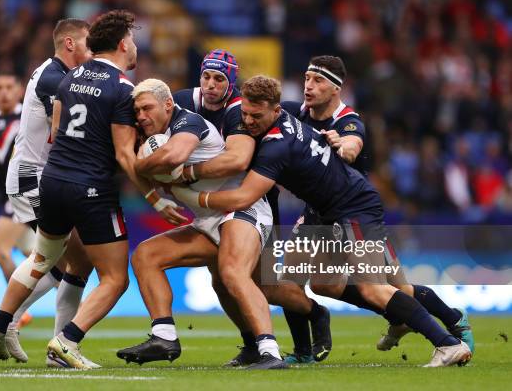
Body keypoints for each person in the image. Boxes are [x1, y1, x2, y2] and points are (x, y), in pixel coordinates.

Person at [173, 75, 473, 368]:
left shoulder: (276, 147)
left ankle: (446, 342)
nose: (248, 122)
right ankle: (318, 344)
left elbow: (241, 198)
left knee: (374, 288)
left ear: (275, 111)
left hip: (354, 208)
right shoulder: (285, 115)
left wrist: (194, 197)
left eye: (256, 116)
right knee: (322, 282)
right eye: (245, 115)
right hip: (326, 211)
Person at [280, 55, 473, 355]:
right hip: (318, 212)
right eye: (307, 78)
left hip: (355, 210)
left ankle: (452, 320)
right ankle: (304, 351)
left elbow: (351, 145)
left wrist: (342, 146)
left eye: (318, 81)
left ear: (336, 89)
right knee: (308, 282)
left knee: (398, 290)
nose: (309, 86)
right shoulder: (295, 115)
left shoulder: (348, 121)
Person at [116, 78, 284, 369]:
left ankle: (271, 351)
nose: (141, 116)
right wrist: (153, 184)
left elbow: (173, 156)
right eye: (137, 111)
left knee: (232, 273)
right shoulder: (159, 135)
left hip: (242, 208)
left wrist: (138, 163)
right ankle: (164, 335)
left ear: (168, 104)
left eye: (146, 108)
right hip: (208, 219)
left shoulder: (187, 121)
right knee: (146, 255)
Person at [174, 49, 328, 366]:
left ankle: (313, 316)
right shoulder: (182, 102)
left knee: (264, 284)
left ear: (232, 83)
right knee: (222, 281)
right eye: (206, 76)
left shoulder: (241, 107)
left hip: (254, 198)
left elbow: (243, 156)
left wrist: (189, 176)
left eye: (219, 78)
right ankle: (252, 345)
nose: (211, 84)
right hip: (219, 205)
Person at [0, 18, 95, 367]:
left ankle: (13, 326)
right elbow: (65, 133)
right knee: (55, 259)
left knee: (74, 262)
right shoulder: (54, 78)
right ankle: (14, 328)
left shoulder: (52, 73)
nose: (91, 51)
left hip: (38, 178)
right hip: (33, 180)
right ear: (70, 44)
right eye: (88, 44)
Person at [0, 73, 35, 328]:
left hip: (23, 194)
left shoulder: (28, 117)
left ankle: (16, 310)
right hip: (7, 196)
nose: (3, 92)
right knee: (39, 257)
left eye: (9, 87)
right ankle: (75, 300)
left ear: (20, 90)